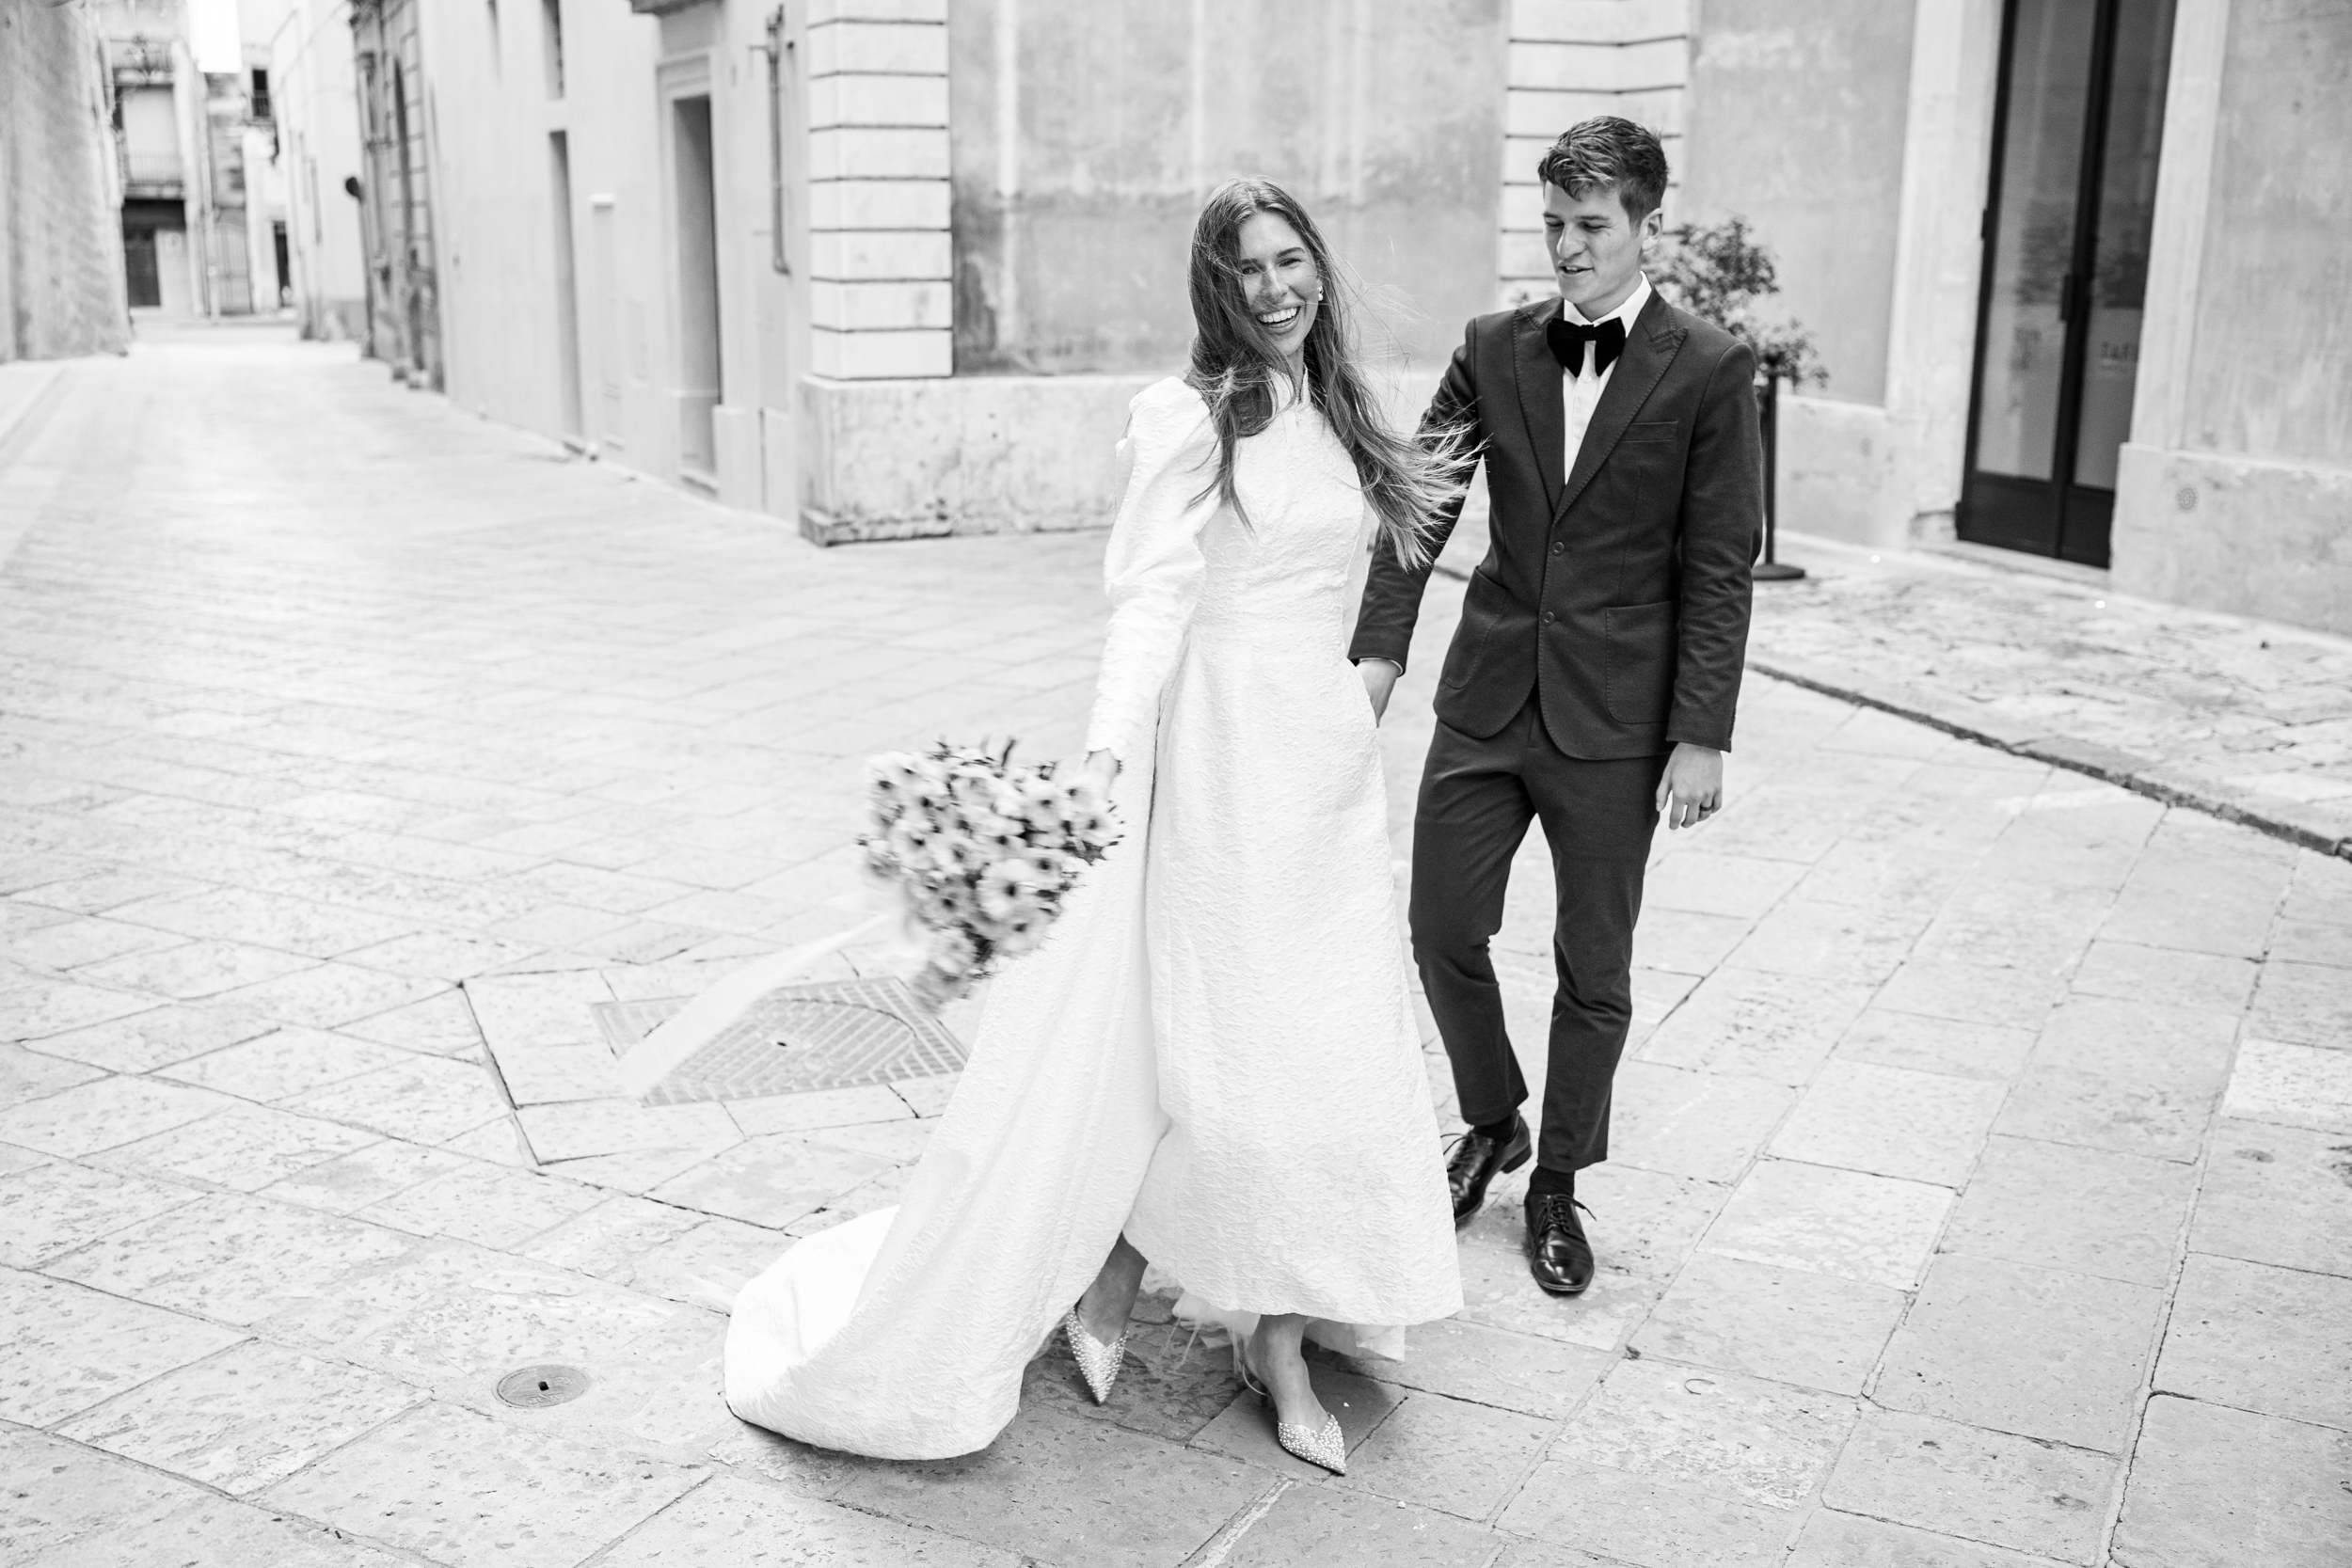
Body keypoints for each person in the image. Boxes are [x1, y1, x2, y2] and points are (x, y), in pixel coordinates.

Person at [723, 178, 1464, 1472]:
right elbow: (1149, 600)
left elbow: (1384, 566)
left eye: (1294, 260)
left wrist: (1361, 694)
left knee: (1338, 1054)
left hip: (1327, 773)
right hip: (1221, 766)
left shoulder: (1346, 408)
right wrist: (1109, 757)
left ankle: (1257, 1307)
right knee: (1228, 1055)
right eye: (1250, 270)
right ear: (1216, 288)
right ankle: (1207, 1304)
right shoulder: (1190, 419)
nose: (1279, 286)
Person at [1352, 117, 1761, 1296]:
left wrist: (1700, 729)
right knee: (1439, 923)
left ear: (1646, 226)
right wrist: (1378, 655)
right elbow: (1420, 506)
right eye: (1553, 227)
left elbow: (1720, 562)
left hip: (1617, 719)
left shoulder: (1711, 368)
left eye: (1590, 228)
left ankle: (1554, 1184)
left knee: (1595, 962)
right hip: (1487, 695)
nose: (1567, 249)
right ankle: (1494, 1115)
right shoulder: (1493, 347)